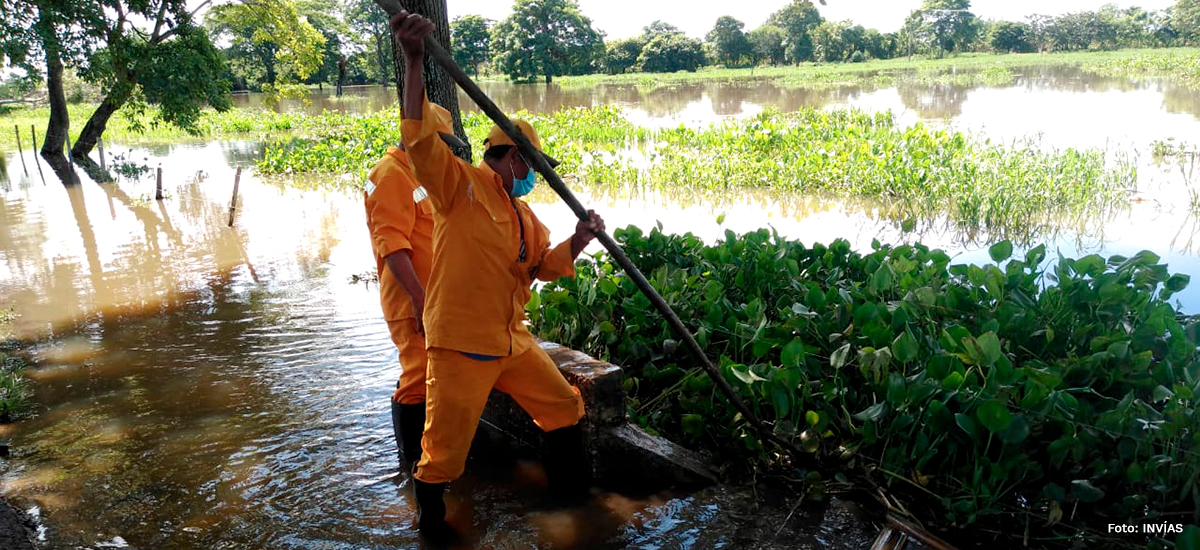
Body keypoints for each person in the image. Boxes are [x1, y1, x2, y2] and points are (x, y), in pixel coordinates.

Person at [390, 9, 607, 541]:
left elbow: (540, 266)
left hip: (511, 341)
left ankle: (572, 504)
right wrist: (414, 59)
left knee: (563, 407)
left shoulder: (524, 215)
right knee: (442, 457)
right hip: (461, 346)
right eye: (529, 164)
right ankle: (434, 528)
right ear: (509, 158)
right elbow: (419, 143)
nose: (533, 176)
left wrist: (577, 242)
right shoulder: (458, 187)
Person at [363, 106, 466, 470]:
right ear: (420, 140)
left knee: (434, 372)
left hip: (433, 297)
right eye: (439, 144)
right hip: (412, 300)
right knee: (417, 375)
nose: (445, 153)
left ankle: (431, 451)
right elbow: (393, 246)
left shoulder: (418, 174)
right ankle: (410, 463)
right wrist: (420, 300)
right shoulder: (390, 175)